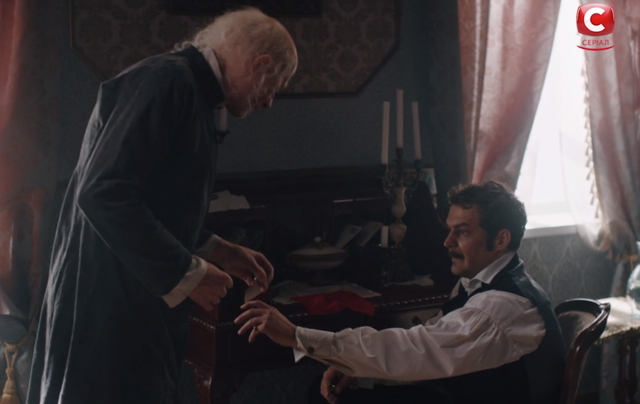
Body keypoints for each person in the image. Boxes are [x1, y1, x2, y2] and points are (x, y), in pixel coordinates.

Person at [26, 8, 297, 404]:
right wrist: (188, 272)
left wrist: (217, 249)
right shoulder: (166, 80)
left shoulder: (189, 89)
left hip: (131, 302)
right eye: (274, 86)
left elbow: (156, 201)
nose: (269, 102)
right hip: (108, 307)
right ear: (259, 64)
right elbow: (103, 193)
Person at [235, 181, 567, 404]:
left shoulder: (501, 307)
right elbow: (428, 349)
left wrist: (297, 335)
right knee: (332, 393)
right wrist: (358, 368)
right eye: (449, 230)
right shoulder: (486, 283)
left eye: (462, 232)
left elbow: (416, 350)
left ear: (501, 239)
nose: (447, 242)